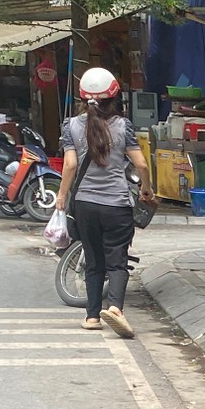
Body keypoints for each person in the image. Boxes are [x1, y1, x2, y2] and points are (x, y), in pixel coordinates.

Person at [55, 67, 152, 337]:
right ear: (114, 97)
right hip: (117, 205)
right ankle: (116, 309)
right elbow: (141, 164)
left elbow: (71, 164)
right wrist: (146, 188)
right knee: (117, 261)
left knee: (94, 259)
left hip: (84, 204)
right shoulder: (124, 126)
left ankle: (92, 316)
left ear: (83, 98)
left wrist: (62, 196)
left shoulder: (71, 126)